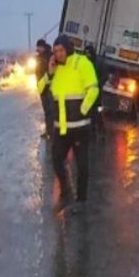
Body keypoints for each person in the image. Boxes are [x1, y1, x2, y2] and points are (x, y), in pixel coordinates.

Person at [38, 35, 99, 213]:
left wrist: (83, 109)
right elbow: (40, 88)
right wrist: (49, 73)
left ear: (68, 49)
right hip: (61, 127)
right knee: (56, 159)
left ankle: (81, 199)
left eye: (61, 50)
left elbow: (93, 89)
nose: (58, 54)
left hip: (80, 126)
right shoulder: (54, 69)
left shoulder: (82, 63)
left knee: (82, 164)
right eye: (55, 51)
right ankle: (66, 192)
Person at [82, 44, 107, 137]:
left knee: (96, 112)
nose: (87, 55)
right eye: (86, 53)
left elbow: (104, 76)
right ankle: (90, 131)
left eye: (89, 53)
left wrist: (97, 85)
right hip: (85, 92)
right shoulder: (84, 62)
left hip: (96, 92)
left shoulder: (99, 63)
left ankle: (100, 130)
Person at [36, 38, 55, 138]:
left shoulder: (50, 56)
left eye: (39, 47)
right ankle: (48, 131)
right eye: (37, 47)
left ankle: (52, 132)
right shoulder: (38, 57)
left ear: (43, 47)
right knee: (46, 110)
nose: (37, 49)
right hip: (42, 87)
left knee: (51, 110)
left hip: (49, 87)